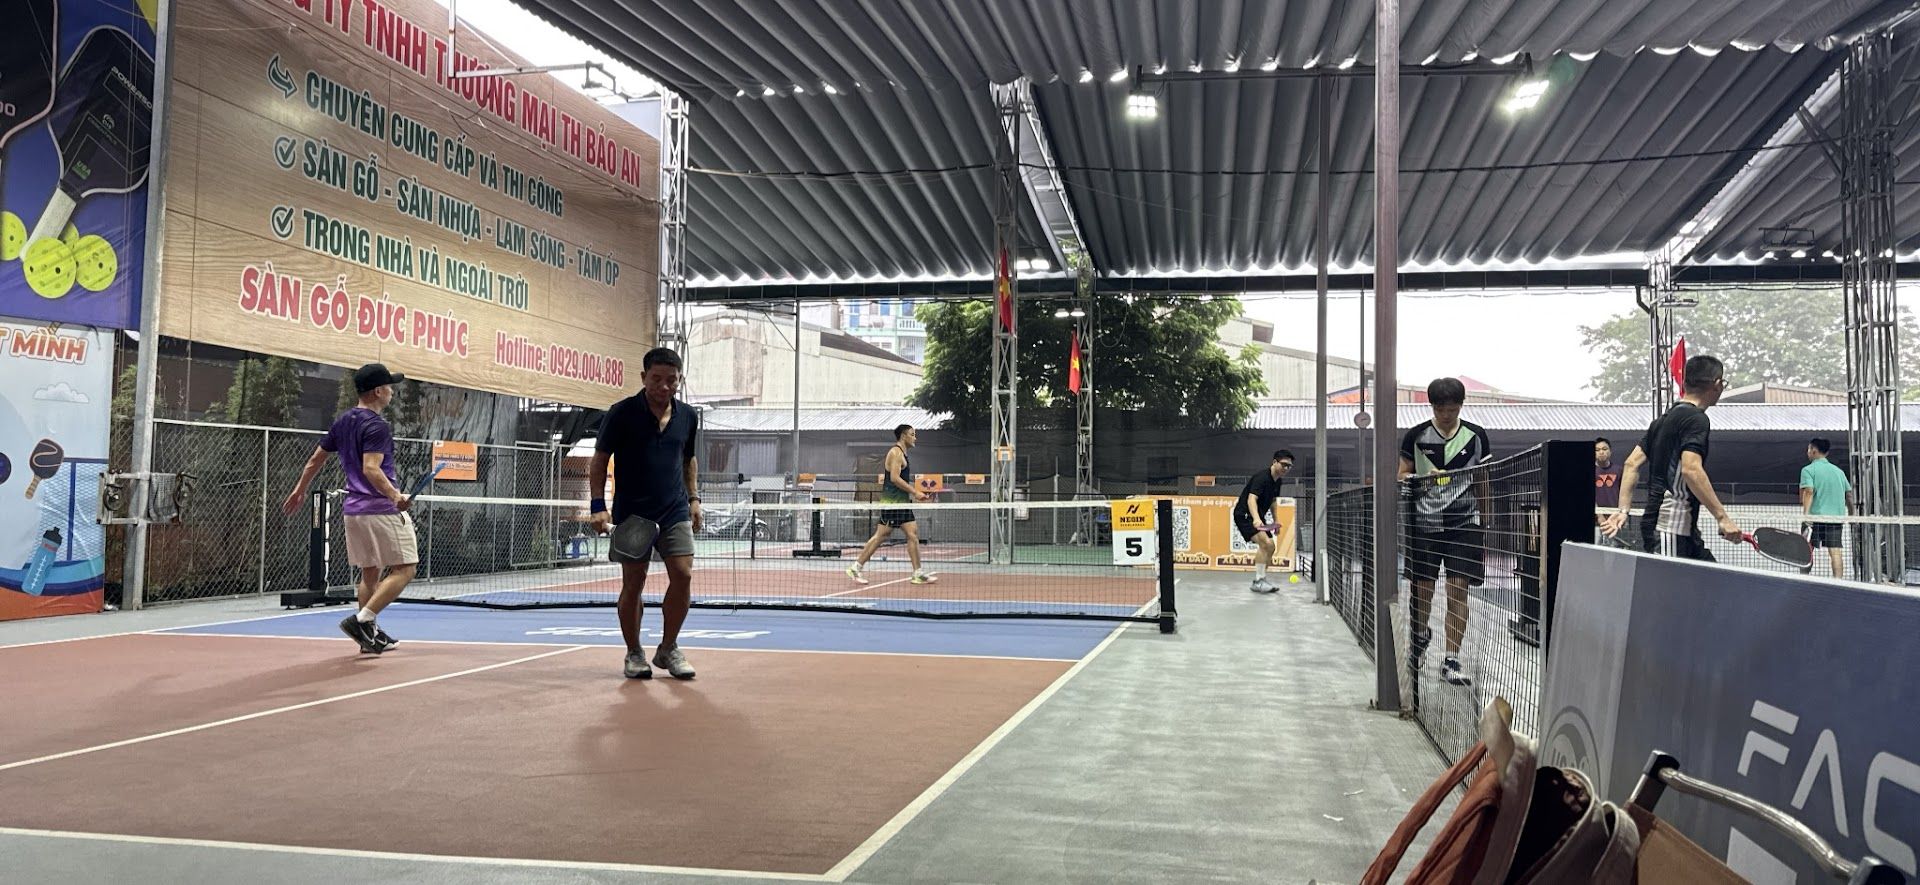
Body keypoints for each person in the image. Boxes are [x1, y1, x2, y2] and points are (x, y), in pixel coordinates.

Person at [280, 363, 414, 654]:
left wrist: (299, 490)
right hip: (380, 509)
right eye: (389, 386)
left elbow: (314, 461)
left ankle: (369, 637)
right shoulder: (376, 426)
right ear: (378, 391)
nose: (392, 391)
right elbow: (371, 468)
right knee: (405, 568)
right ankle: (362, 620)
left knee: (370, 573)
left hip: (354, 512)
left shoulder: (343, 421)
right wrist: (395, 496)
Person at [589, 348, 702, 680]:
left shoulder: (688, 416)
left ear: (679, 380)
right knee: (634, 581)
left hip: (675, 510)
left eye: (672, 380)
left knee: (683, 575)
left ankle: (668, 649)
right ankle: (634, 653)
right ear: (643, 378)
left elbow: (688, 460)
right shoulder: (621, 413)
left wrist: (694, 498)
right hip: (632, 514)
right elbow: (599, 460)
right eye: (656, 379)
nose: (664, 386)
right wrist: (597, 505)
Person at [1603, 355, 1742, 559]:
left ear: (1685, 383)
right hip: (1669, 527)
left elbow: (1631, 463)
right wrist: (1722, 518)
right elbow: (1691, 469)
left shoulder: (1662, 421)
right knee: (1670, 582)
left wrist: (1623, 510)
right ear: (1717, 384)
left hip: (1682, 529)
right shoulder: (1697, 419)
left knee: (1712, 577)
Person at [1399, 378, 1491, 688]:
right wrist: (1422, 477)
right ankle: (1420, 636)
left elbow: (1482, 478)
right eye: (1441, 409)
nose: (1447, 415)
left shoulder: (1476, 436)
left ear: (1461, 406)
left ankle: (1451, 659)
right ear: (1432, 407)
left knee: (1458, 589)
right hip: (1425, 522)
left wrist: (1486, 519)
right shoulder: (1416, 436)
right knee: (1422, 589)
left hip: (1464, 523)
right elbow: (1401, 476)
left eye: (1452, 409)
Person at [846, 425, 936, 586]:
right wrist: (915, 492)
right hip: (893, 503)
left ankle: (918, 573)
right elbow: (894, 478)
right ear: (903, 436)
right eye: (912, 434)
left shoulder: (903, 454)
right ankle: (856, 567)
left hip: (902, 503)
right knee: (881, 536)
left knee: (912, 534)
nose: (915, 438)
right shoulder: (895, 453)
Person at [1233, 450, 1293, 593]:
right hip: (1245, 515)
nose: (1286, 468)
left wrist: (1276, 521)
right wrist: (1256, 519)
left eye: (1289, 466)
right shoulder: (1262, 478)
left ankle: (1260, 579)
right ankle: (1259, 581)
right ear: (1274, 462)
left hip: (1258, 516)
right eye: (1284, 464)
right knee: (1265, 543)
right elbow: (1251, 499)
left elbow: (1273, 501)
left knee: (1271, 547)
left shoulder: (1278, 481)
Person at [1801, 437, 1855, 579]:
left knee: (1805, 551)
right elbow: (1849, 495)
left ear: (1813, 450)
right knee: (1835, 552)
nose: (1807, 452)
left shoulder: (1808, 470)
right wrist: (1852, 514)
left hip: (1814, 519)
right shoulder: (1839, 472)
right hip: (1835, 519)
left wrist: (1806, 515)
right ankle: (1838, 583)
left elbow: (1809, 491)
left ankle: (1803, 580)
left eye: (1808, 449)